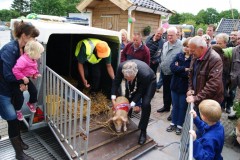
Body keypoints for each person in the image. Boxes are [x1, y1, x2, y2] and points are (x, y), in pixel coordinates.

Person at [0, 21, 39, 160]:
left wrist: (28, 79)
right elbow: (8, 75)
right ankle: (19, 154)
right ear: (24, 35)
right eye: (33, 37)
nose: (34, 40)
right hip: (3, 90)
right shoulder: (9, 49)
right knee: (11, 118)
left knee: (16, 117)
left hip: (13, 88)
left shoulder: (24, 49)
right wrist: (23, 82)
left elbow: (24, 70)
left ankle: (20, 143)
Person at [111, 60, 156, 145]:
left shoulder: (145, 74)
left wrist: (132, 104)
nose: (127, 80)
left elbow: (140, 92)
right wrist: (113, 97)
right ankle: (126, 118)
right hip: (135, 79)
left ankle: (143, 131)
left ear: (135, 74)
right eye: (126, 78)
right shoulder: (121, 67)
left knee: (146, 104)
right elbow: (116, 82)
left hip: (149, 82)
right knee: (129, 96)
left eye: (129, 78)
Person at [186, 36, 224, 115]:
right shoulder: (195, 55)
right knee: (199, 123)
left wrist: (196, 98)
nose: (190, 53)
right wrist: (190, 89)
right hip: (198, 98)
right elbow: (191, 74)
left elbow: (213, 84)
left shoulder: (215, 59)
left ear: (201, 48)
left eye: (192, 51)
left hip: (209, 103)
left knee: (206, 125)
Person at [12, 40, 44, 120]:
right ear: (33, 53)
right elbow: (15, 70)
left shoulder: (33, 60)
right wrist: (23, 77)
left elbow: (34, 68)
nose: (40, 55)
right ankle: (18, 110)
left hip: (26, 79)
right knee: (20, 98)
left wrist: (35, 74)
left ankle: (30, 103)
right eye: (39, 53)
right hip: (19, 80)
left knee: (34, 91)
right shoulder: (23, 60)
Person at [166, 37, 192, 135]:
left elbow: (190, 74)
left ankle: (180, 125)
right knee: (175, 105)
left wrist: (179, 69)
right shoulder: (178, 55)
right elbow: (172, 67)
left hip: (184, 87)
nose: (185, 48)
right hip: (175, 85)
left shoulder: (193, 59)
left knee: (182, 106)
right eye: (184, 46)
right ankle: (173, 123)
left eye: (188, 46)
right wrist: (185, 69)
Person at [157, 27, 182, 121]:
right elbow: (163, 55)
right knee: (166, 90)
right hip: (164, 71)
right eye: (168, 35)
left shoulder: (181, 46)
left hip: (174, 73)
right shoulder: (165, 44)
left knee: (173, 93)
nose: (169, 37)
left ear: (177, 35)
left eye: (172, 35)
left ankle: (173, 111)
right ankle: (166, 107)